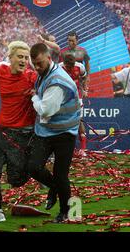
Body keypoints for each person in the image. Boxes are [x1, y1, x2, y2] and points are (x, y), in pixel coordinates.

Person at [0, 41, 37, 224]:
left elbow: (52, 80)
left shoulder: (32, 77)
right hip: (2, 134)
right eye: (20, 56)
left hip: (23, 137)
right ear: (10, 58)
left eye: (26, 58)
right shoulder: (1, 71)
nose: (24, 60)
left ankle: (33, 166)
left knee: (16, 180)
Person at [28, 43, 81, 223]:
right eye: (34, 63)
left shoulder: (57, 81)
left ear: (49, 59)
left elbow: (45, 110)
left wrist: (34, 96)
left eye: (39, 64)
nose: (36, 67)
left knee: (60, 174)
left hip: (65, 133)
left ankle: (65, 212)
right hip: (47, 130)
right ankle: (55, 188)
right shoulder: (45, 72)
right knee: (33, 167)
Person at [59, 54, 88, 156]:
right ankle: (62, 149)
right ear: (64, 63)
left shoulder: (80, 67)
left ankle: (83, 149)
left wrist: (84, 89)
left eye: (71, 66)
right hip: (63, 98)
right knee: (62, 121)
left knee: (79, 120)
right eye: (68, 66)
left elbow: (84, 77)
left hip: (77, 96)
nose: (70, 68)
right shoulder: (59, 67)